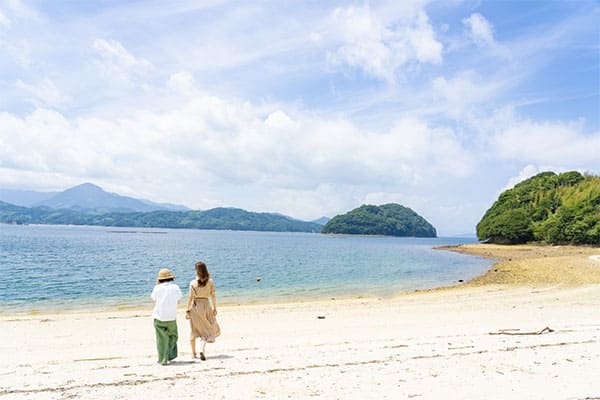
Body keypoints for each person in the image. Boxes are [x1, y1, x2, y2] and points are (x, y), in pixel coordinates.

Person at [186, 261, 221, 361]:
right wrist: (215, 308)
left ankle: (193, 354)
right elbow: (213, 296)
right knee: (207, 329)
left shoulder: (192, 283)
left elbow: (190, 298)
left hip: (195, 306)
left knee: (194, 330)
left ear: (196, 271)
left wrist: (187, 309)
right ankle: (201, 348)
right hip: (206, 305)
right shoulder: (210, 282)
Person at [151, 268, 182, 365]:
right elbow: (179, 299)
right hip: (171, 317)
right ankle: (170, 355)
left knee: (161, 339)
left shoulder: (157, 288)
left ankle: (162, 359)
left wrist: (157, 285)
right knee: (173, 336)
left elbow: (153, 298)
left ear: (159, 279)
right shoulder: (175, 287)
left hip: (159, 317)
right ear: (171, 278)